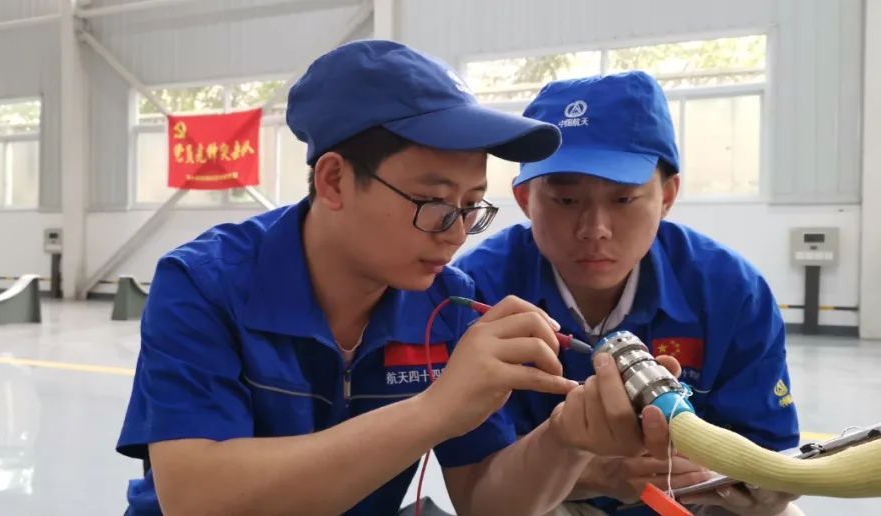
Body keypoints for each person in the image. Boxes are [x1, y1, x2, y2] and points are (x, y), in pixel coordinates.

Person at [115, 42, 678, 515]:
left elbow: (484, 499)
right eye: (432, 202)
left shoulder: (450, 304)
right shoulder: (205, 284)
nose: (455, 234)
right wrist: (435, 410)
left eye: (471, 206)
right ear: (334, 181)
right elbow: (196, 496)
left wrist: (565, 439)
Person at [454, 71, 802, 516]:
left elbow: (768, 451)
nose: (594, 230)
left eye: (623, 200)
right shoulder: (477, 292)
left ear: (667, 196)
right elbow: (480, 486)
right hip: (550, 500)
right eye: (566, 201)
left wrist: (744, 482)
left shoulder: (730, 291)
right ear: (524, 200)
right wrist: (600, 472)